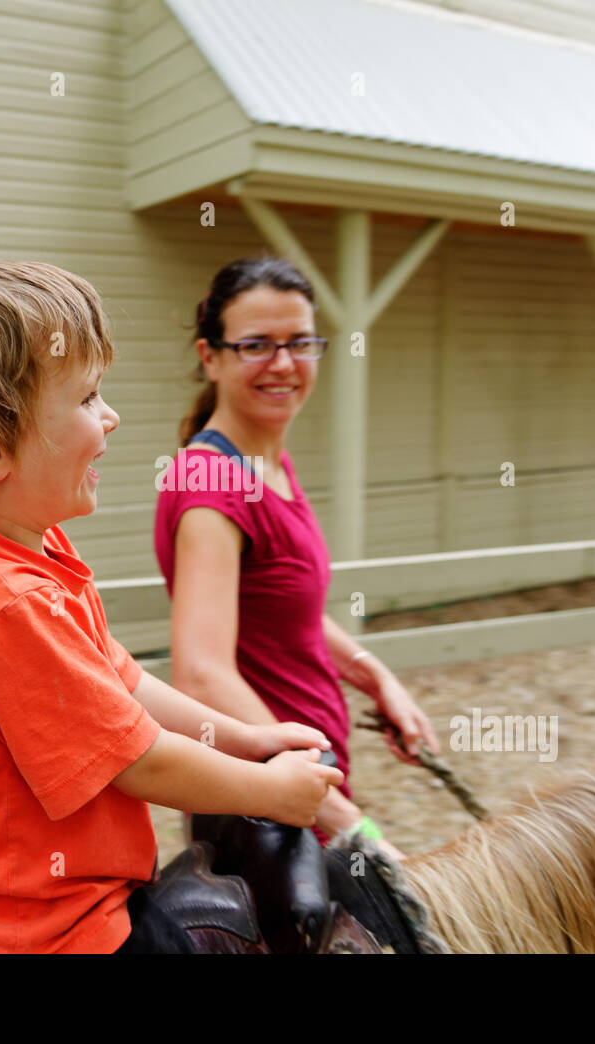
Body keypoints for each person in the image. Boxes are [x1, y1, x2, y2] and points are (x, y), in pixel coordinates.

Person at [0, 260, 343, 954]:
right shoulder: (6, 603)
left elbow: (124, 684)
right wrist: (269, 795)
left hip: (62, 895)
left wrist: (245, 740)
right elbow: (137, 761)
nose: (111, 417)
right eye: (85, 399)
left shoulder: (32, 552)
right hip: (43, 928)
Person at [153, 256, 440, 859]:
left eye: (300, 343)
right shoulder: (213, 486)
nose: (283, 364)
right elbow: (202, 674)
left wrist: (376, 678)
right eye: (256, 345)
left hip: (302, 789)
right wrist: (341, 817)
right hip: (267, 807)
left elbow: (295, 612)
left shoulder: (267, 462)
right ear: (212, 357)